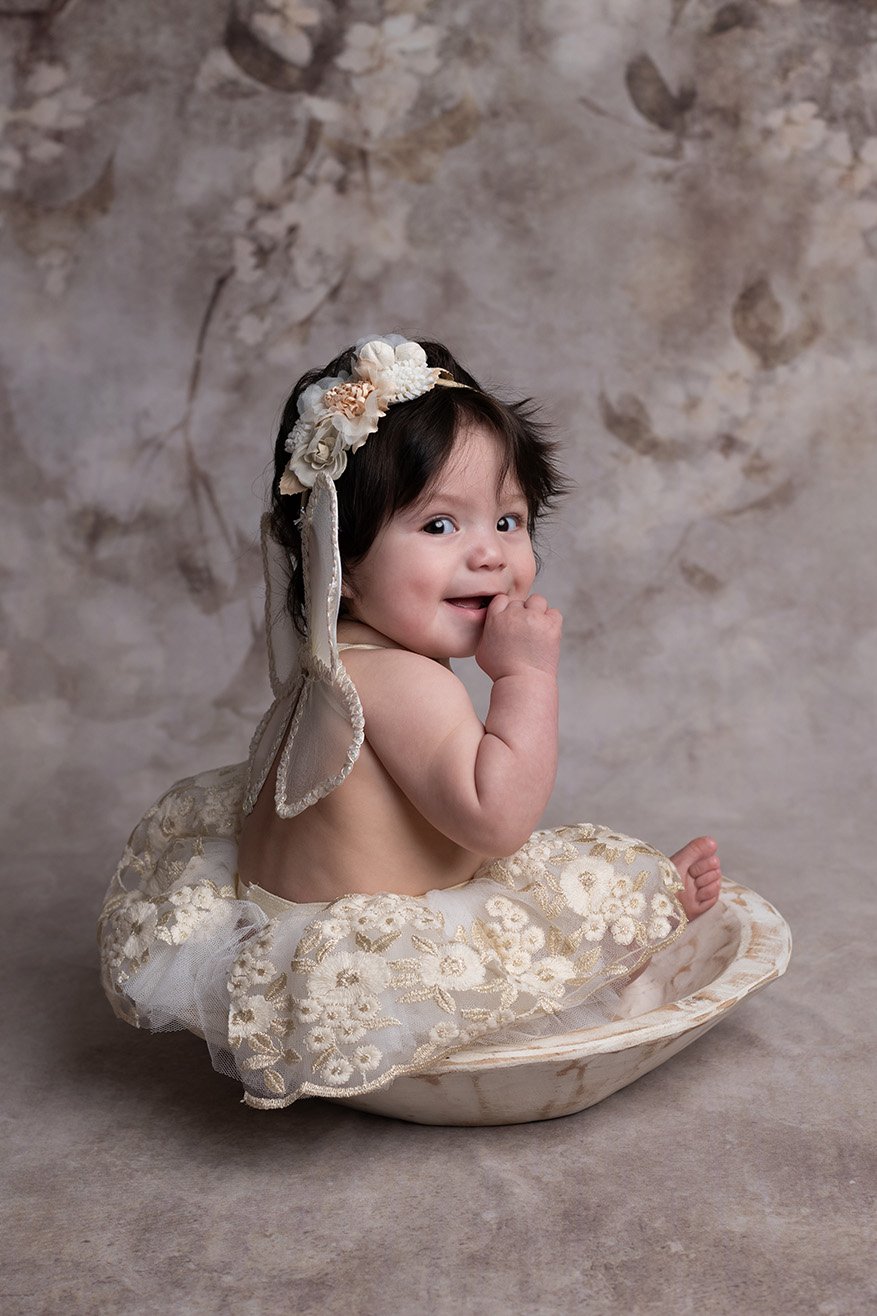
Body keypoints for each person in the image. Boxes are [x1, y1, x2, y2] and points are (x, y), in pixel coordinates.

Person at [98, 334, 722, 1110]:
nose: (490, 555)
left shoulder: (334, 658)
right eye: (438, 526)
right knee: (564, 896)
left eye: (508, 520)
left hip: (273, 922)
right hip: (374, 961)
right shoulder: (402, 680)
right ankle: (652, 917)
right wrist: (526, 676)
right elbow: (496, 821)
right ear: (341, 564)